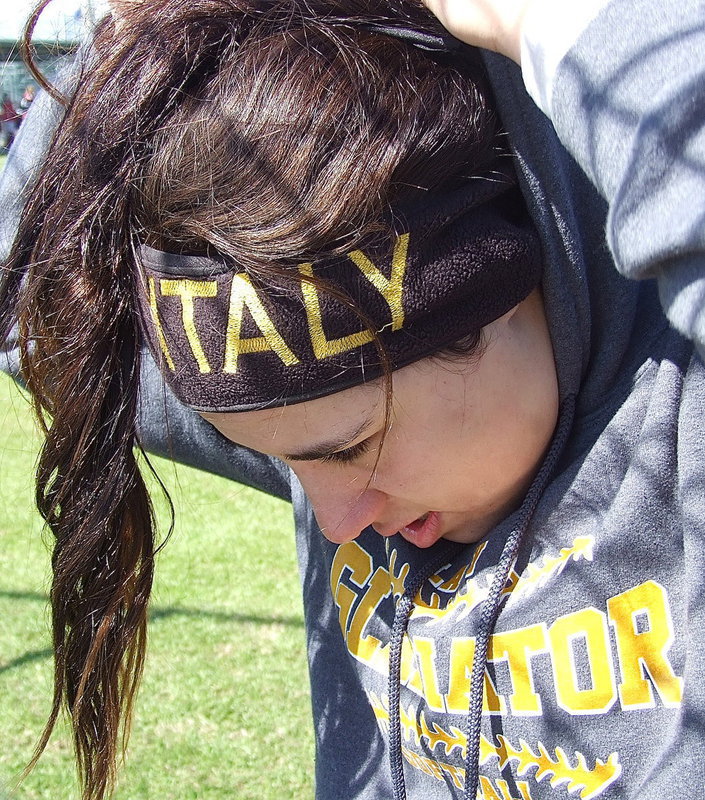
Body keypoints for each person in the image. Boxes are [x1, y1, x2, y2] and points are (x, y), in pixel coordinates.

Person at [0, 1, 703, 800]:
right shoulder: (341, 467)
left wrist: (552, 21)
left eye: (348, 447)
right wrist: (147, 29)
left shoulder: (680, 409)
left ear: (498, 297)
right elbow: (31, 306)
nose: (334, 523)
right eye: (281, 462)